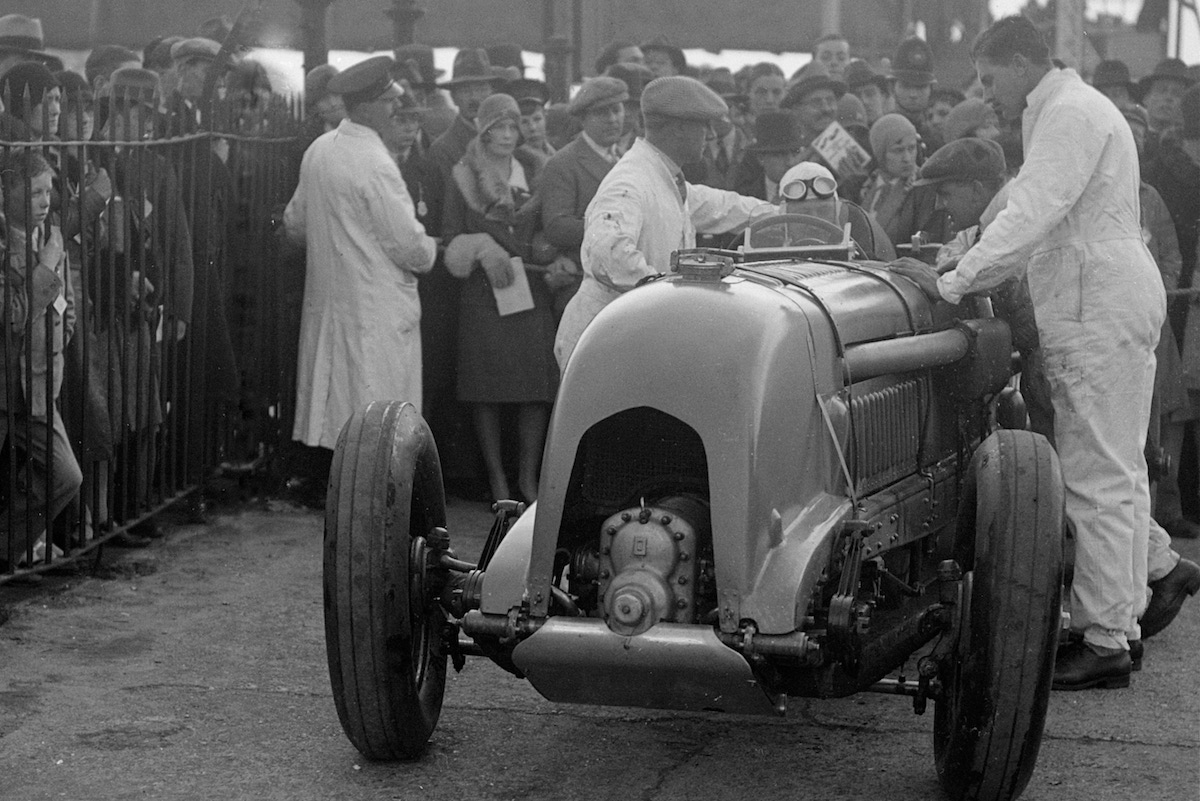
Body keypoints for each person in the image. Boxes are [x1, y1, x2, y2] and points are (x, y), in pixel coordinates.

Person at [889, 16, 1197, 690]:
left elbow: (1033, 208)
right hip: (1102, 291)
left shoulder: (1068, 113)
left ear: (1024, 61)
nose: (987, 91)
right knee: (1110, 468)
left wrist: (953, 280)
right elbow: (1029, 213)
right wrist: (963, 257)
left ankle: (1105, 636)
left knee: (1096, 475)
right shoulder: (1068, 109)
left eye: (991, 76)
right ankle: (1124, 611)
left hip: (1097, 299)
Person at [554, 76, 772, 368]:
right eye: (703, 125)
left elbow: (719, 205)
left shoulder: (662, 176)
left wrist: (782, 213)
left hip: (626, 336)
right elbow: (605, 252)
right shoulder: (630, 181)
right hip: (602, 346)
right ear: (679, 128)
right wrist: (664, 293)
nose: (710, 135)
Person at [283, 56, 437, 459]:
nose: (395, 109)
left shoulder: (320, 149)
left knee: (337, 404)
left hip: (334, 299)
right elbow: (410, 247)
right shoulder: (376, 162)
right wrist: (434, 248)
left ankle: (335, 484)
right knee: (378, 415)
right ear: (367, 106)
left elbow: (294, 223)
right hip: (377, 304)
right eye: (388, 102)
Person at [441, 93, 560, 504]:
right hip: (484, 294)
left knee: (535, 389)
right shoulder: (464, 175)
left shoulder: (538, 170)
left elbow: (550, 226)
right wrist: (482, 248)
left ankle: (528, 479)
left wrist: (546, 248)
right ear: (483, 131)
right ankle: (497, 480)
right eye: (498, 128)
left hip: (531, 292)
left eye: (514, 126)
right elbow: (451, 236)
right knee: (486, 391)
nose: (508, 135)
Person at [0, 149, 82, 570]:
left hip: (37, 387)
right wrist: (46, 266)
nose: (45, 201)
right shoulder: (4, 242)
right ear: (7, 192)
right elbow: (10, 315)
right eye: (34, 192)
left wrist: (56, 349)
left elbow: (66, 310)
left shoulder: (50, 239)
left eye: (48, 191)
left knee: (66, 476)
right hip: (3, 389)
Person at [539, 77, 627, 320]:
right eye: (601, 113)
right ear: (583, 119)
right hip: (582, 289)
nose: (612, 119)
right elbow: (556, 227)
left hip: (621, 288)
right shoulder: (564, 163)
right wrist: (615, 227)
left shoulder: (624, 159)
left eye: (616, 109)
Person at [858, 113, 946, 246]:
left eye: (911, 148)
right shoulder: (864, 186)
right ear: (880, 154)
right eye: (898, 151)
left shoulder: (923, 190)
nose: (907, 158)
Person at [736, 111, 806, 201]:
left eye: (796, 153)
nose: (790, 162)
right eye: (780, 155)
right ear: (761, 158)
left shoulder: (814, 192)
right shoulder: (744, 197)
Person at [890, 37, 939, 152]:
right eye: (906, 86)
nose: (913, 94)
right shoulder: (879, 133)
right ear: (891, 87)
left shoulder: (938, 139)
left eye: (921, 86)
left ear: (930, 90)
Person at [1137, 58, 1194, 137]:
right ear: (1146, 98)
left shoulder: (1191, 146)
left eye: (1177, 93)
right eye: (1161, 91)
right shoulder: (1133, 137)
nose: (1168, 97)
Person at [845, 59, 893, 126]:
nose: (865, 101)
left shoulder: (897, 131)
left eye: (870, 94)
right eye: (856, 97)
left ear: (883, 96)